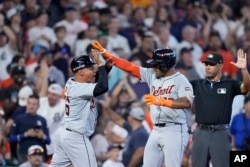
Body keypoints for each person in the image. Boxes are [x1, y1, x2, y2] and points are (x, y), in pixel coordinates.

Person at [92, 41, 194, 167]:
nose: (154, 67)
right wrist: (108, 55)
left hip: (174, 129)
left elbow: (187, 102)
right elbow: (129, 67)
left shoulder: (181, 80)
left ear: (166, 65)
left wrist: (163, 101)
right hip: (156, 129)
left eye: (156, 65)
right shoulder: (152, 74)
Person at [49, 52, 110, 167]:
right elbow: (102, 87)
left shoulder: (73, 82)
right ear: (80, 71)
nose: (94, 71)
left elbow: (98, 81)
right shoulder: (79, 88)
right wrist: (101, 65)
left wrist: (106, 68)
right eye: (91, 69)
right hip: (76, 137)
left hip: (65, 135)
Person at [190, 50, 250, 167]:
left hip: (220, 133)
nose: (207, 67)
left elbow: (247, 87)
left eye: (211, 64)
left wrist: (243, 69)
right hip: (201, 132)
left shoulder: (229, 84)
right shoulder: (197, 84)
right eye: (206, 64)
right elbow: (178, 85)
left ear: (221, 66)